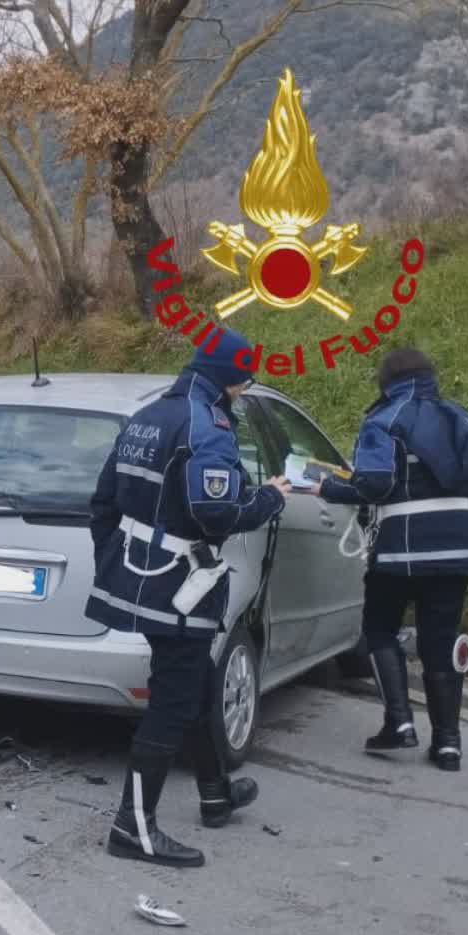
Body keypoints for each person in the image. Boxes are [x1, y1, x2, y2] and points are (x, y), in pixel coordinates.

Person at [85, 326, 290, 868]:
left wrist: (120, 564)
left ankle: (216, 791)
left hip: (142, 577)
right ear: (231, 380)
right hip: (182, 585)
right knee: (174, 701)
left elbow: (102, 503)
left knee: (194, 682)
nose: (244, 392)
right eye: (244, 383)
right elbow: (216, 513)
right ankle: (133, 828)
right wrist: (270, 498)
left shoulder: (145, 417)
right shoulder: (209, 426)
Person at [305, 348, 468, 771]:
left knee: (380, 628)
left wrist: (328, 488)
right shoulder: (459, 417)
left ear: (385, 382)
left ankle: (400, 723)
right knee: (440, 641)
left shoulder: (384, 420)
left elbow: (374, 483)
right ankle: (448, 744)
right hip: (459, 547)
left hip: (403, 549)